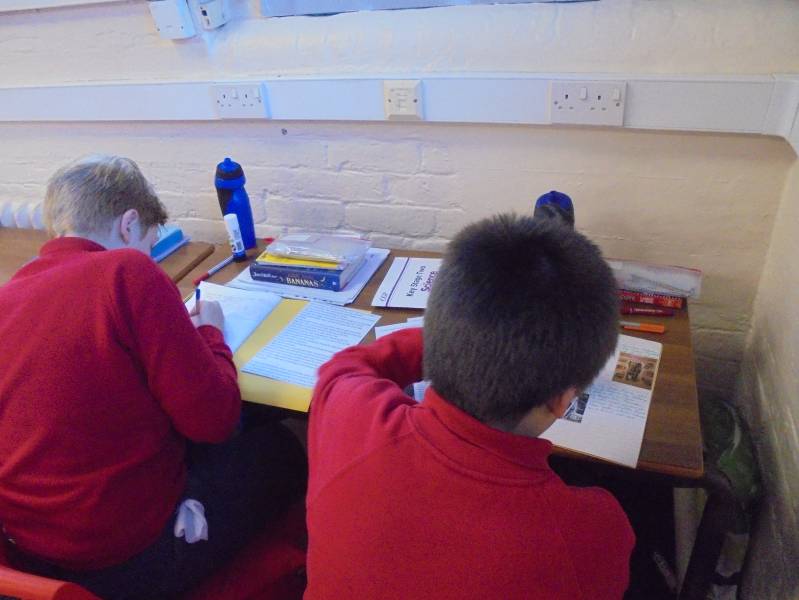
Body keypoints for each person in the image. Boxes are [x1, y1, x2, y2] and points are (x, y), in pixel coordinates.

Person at [0, 155, 306, 599]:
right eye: (149, 242)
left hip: (33, 559)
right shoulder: (127, 270)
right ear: (129, 225)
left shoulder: (9, 296)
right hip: (129, 560)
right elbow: (216, 421)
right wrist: (210, 334)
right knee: (285, 443)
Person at [305, 213, 635, 599]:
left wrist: (455, 340)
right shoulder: (590, 533)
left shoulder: (346, 409)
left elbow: (347, 364)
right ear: (561, 399)